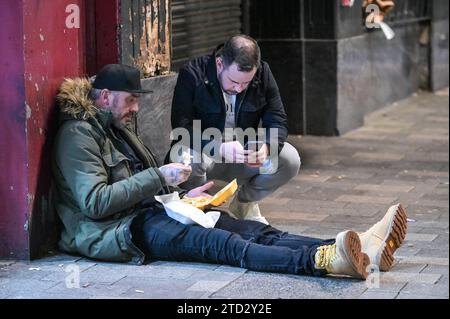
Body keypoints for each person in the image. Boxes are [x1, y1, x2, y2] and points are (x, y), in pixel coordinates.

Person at [51, 63, 408, 280]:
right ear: (104, 97)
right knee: (227, 245)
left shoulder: (118, 124)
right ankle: (323, 260)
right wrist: (160, 178)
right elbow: (95, 203)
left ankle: (358, 246)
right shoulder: (77, 136)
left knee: (252, 229)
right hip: (119, 231)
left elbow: (140, 183)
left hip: (153, 210)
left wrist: (177, 196)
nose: (136, 107)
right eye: (131, 100)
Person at [168, 34, 301, 225]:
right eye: (233, 81)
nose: (238, 88)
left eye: (245, 83)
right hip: (206, 155)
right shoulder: (193, 73)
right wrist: (218, 148)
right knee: (184, 156)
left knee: (289, 159)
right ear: (220, 63)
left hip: (243, 155)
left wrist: (266, 148)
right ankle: (199, 208)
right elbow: (181, 127)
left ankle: (244, 203)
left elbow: (278, 120)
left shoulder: (263, 73)